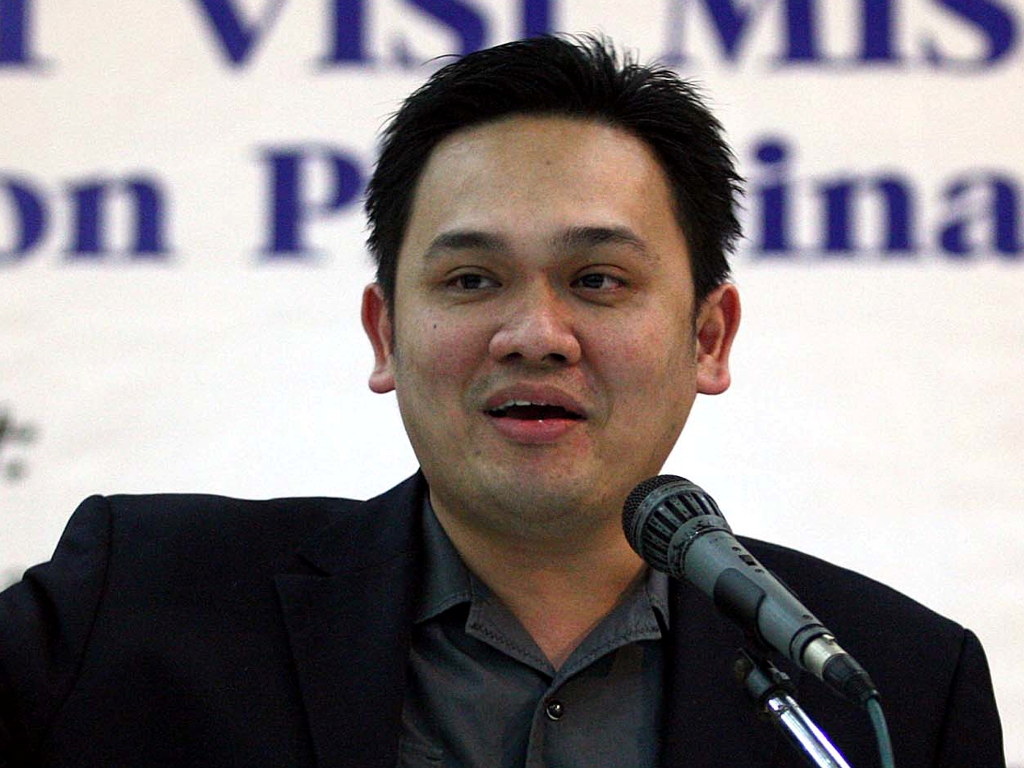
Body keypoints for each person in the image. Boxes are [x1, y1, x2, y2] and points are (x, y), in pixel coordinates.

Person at [0, 35, 1004, 768]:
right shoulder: (132, 606)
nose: (535, 334)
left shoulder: (892, 688)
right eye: (472, 280)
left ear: (708, 337)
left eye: (598, 280)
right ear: (386, 334)